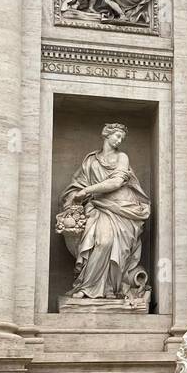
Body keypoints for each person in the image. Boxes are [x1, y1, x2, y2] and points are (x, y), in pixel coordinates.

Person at [58, 124, 151, 303]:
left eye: (121, 138)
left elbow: (116, 182)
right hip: (97, 207)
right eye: (116, 136)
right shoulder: (91, 161)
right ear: (106, 136)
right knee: (102, 242)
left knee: (115, 246)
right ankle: (88, 287)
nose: (119, 140)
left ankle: (110, 288)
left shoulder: (122, 157)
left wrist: (87, 191)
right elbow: (76, 185)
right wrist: (74, 197)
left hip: (123, 209)